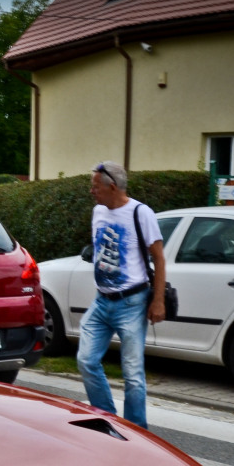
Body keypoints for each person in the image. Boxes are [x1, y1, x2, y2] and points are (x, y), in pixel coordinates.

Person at [76, 161, 168, 429]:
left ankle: (137, 431)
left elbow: (159, 259)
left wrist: (158, 300)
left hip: (132, 303)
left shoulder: (141, 213)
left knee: (133, 374)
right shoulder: (98, 212)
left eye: (95, 187)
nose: (92, 192)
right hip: (101, 302)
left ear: (112, 187)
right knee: (86, 360)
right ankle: (107, 418)